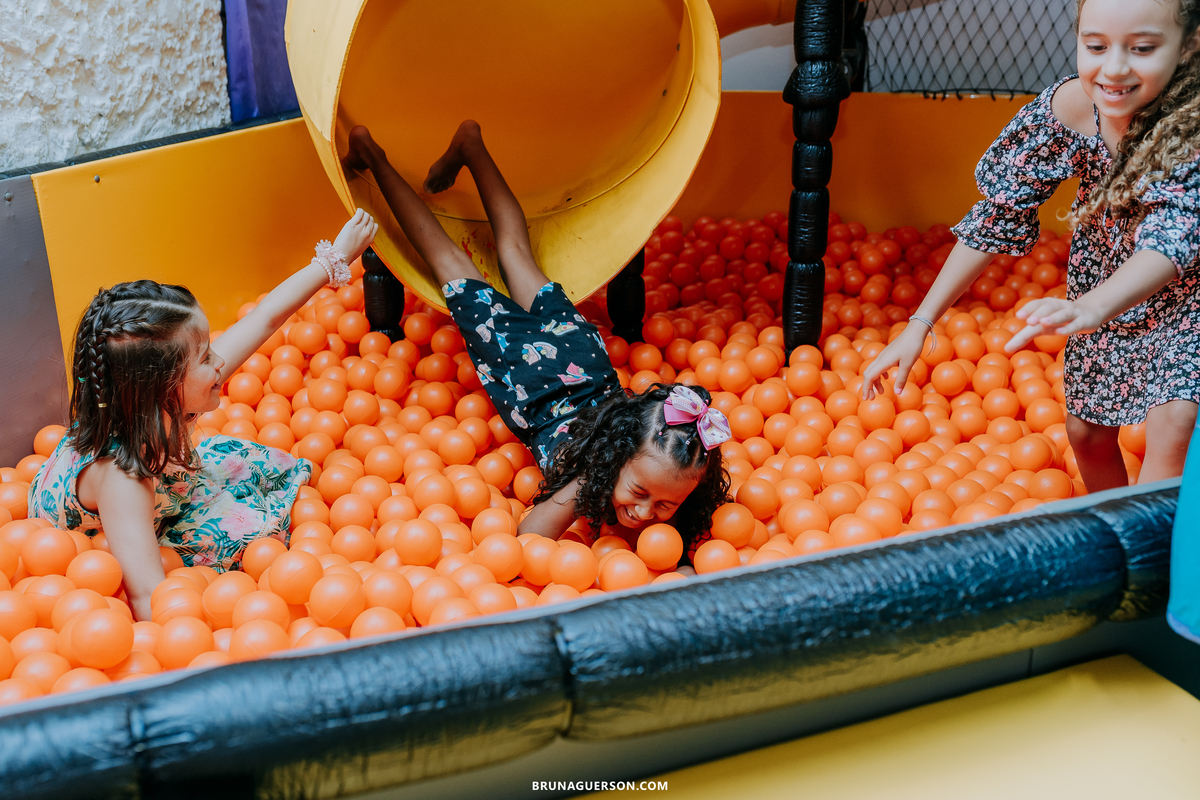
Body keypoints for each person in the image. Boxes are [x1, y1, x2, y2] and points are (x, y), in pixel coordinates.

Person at [862, 0, 1200, 493]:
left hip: (1186, 301)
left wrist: (1089, 307)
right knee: (1085, 435)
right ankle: (1116, 540)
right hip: (1101, 289)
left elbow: (1171, 242)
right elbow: (998, 213)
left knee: (1171, 432)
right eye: (1096, 46)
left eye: (1143, 48)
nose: (1115, 68)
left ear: (1188, 45)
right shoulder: (1072, 110)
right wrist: (920, 323)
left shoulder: (1190, 129)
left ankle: (1157, 564)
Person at [343, 121, 730, 547]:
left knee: (514, 252)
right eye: (639, 493)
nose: (642, 513)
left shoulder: (652, 454)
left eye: (664, 506)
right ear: (618, 453)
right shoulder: (591, 471)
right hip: (528, 372)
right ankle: (372, 155)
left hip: (582, 354)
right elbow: (529, 533)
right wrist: (579, 492)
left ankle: (472, 144)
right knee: (448, 260)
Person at [29, 211, 378, 620]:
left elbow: (265, 318)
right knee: (243, 534)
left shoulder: (148, 401)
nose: (219, 363)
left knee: (242, 458)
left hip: (157, 483)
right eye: (206, 357)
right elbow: (148, 598)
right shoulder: (124, 480)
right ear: (164, 387)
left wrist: (334, 258)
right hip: (105, 530)